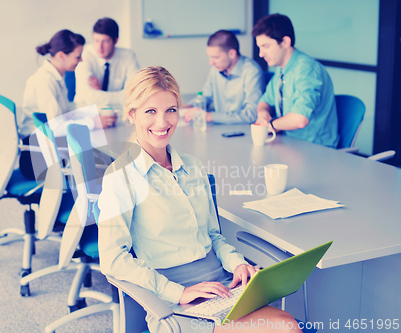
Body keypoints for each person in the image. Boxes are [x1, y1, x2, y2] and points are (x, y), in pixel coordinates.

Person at [97, 66, 301, 333]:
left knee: (288, 325)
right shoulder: (120, 177)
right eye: (150, 111)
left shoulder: (193, 167)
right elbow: (112, 259)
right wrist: (178, 292)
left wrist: (237, 263)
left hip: (222, 284)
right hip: (173, 302)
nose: (163, 123)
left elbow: (214, 236)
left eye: (171, 110)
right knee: (282, 328)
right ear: (131, 114)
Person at [18, 29, 115, 180]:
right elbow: (56, 126)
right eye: (77, 56)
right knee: (104, 163)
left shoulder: (55, 76)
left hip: (46, 147)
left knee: (100, 156)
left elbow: (64, 114)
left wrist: (94, 115)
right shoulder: (44, 82)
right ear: (62, 56)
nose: (81, 60)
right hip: (37, 158)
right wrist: (92, 122)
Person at [252, 14, 339, 148]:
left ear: (285, 42)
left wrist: (268, 126)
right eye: (259, 47)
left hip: (315, 149)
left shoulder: (306, 69)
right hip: (289, 143)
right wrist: (263, 113)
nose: (261, 54)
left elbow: (300, 119)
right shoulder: (282, 69)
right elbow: (264, 101)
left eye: (266, 46)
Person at [183, 30, 264, 124]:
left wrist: (209, 116)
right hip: (218, 128)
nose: (211, 63)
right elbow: (206, 96)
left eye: (215, 57)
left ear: (232, 54)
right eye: (210, 57)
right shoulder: (216, 68)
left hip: (244, 130)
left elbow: (251, 115)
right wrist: (188, 106)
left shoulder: (252, 71)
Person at [74, 17, 140, 108]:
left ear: (115, 40)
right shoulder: (84, 55)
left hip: (117, 113)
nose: (99, 47)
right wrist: (121, 96)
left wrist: (100, 93)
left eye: (105, 41)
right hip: (86, 111)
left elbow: (135, 94)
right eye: (96, 41)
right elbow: (89, 97)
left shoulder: (128, 56)